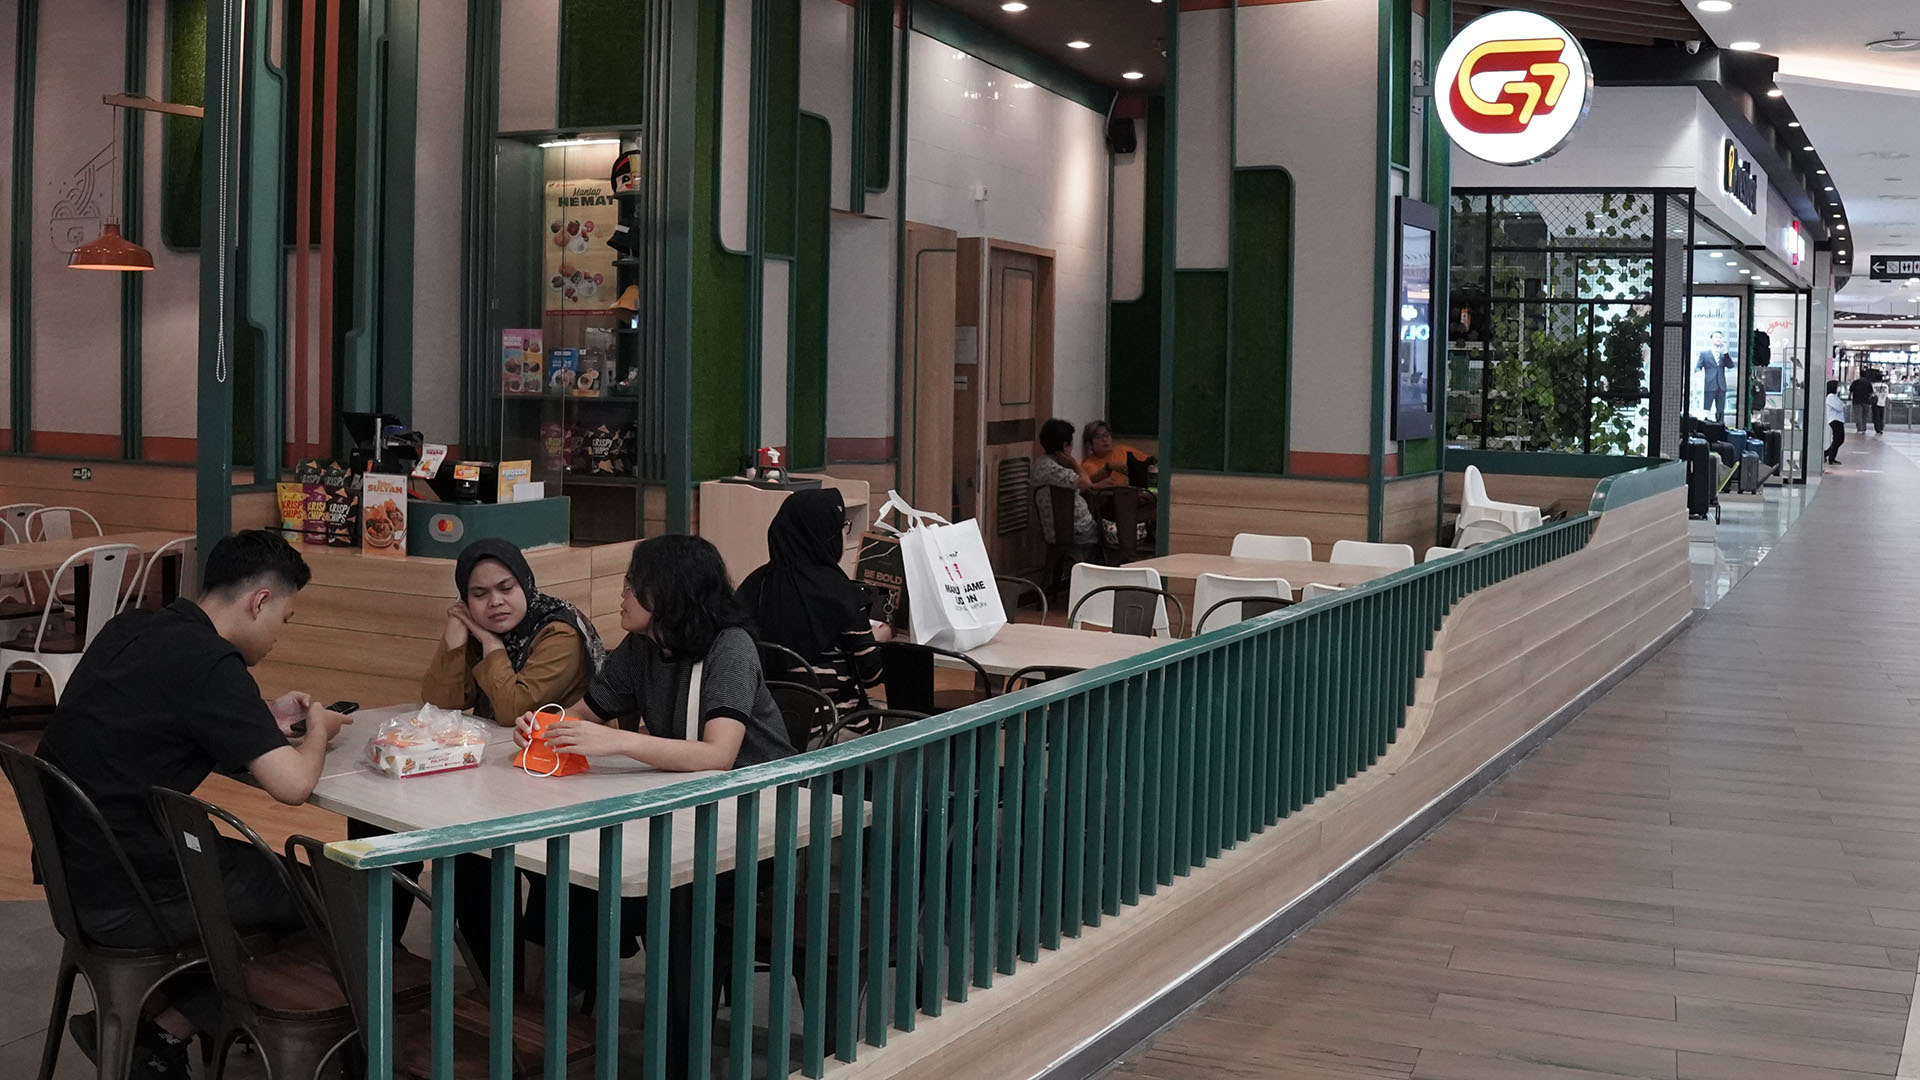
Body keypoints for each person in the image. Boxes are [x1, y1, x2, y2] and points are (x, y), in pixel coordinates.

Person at [34, 530, 352, 1078]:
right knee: (326, 895)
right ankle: (170, 1030)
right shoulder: (211, 663)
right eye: (284, 619)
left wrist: (260, 717)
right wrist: (318, 728)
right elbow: (293, 786)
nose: (279, 635)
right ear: (259, 601)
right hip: (128, 893)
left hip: (73, 871)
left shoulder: (133, 628)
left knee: (261, 880)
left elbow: (168, 714)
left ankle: (157, 1018)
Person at [511, 535, 794, 1076]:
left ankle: (678, 1055)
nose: (621, 594)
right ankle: (540, 1025)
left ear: (669, 593)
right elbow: (586, 714)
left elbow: (719, 755)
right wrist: (545, 727)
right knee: (561, 875)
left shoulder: (730, 647)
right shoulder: (642, 646)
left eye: (632, 583)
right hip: (683, 812)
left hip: (754, 827)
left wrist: (617, 741)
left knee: (674, 898)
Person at [736, 488, 888, 716]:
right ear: (825, 535)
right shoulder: (843, 595)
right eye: (843, 526)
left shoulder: (754, 586)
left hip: (765, 724)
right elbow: (872, 676)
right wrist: (882, 635)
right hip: (834, 724)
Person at [421, 537, 607, 723]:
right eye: (479, 594)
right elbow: (439, 704)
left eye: (506, 588)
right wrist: (455, 634)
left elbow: (514, 712)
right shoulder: (477, 627)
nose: (495, 601)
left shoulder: (560, 632)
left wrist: (491, 644)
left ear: (525, 585)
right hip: (500, 738)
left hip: (556, 739)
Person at [1078, 419, 1157, 561]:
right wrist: (1108, 469)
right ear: (1090, 444)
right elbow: (1089, 484)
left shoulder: (1122, 450)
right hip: (1111, 513)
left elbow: (1149, 464)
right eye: (1098, 437)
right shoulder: (1088, 465)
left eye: (1106, 435)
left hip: (1139, 503)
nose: (1105, 440)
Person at [1033, 418, 1098, 561]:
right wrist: (1074, 463)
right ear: (1065, 445)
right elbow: (1086, 483)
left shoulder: (1040, 463)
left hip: (1057, 532)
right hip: (1077, 531)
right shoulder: (1053, 469)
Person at [1695, 331, 1735, 424]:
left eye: (1720, 337)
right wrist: (1698, 372)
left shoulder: (1723, 355)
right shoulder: (1705, 354)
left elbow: (1731, 365)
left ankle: (1720, 425)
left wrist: (1725, 353)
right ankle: (1705, 425)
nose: (1718, 339)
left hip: (1721, 386)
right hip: (1709, 384)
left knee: (1720, 410)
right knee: (1707, 409)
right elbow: (1698, 366)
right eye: (1716, 337)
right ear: (1711, 339)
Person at [1826, 380, 1848, 466]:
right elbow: (1839, 407)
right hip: (1835, 420)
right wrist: (1841, 406)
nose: (1838, 388)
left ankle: (1827, 454)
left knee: (1839, 439)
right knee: (1838, 439)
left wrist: (1842, 405)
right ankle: (1830, 457)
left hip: (1838, 420)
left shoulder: (1834, 396)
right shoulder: (1830, 397)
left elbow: (1842, 405)